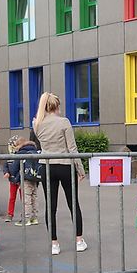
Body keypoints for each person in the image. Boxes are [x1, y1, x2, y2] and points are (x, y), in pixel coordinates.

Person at [33, 92, 87, 256]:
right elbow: (72, 148)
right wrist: (80, 168)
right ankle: (79, 240)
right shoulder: (64, 122)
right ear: (57, 106)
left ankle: (54, 243)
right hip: (65, 165)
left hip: (46, 165)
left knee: (51, 205)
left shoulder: (37, 124)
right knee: (73, 203)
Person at [8, 135, 42, 226]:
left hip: (26, 178)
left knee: (26, 198)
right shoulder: (34, 150)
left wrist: (12, 174)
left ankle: (26, 218)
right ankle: (34, 217)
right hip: (35, 178)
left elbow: (14, 168)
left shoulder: (21, 153)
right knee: (34, 197)